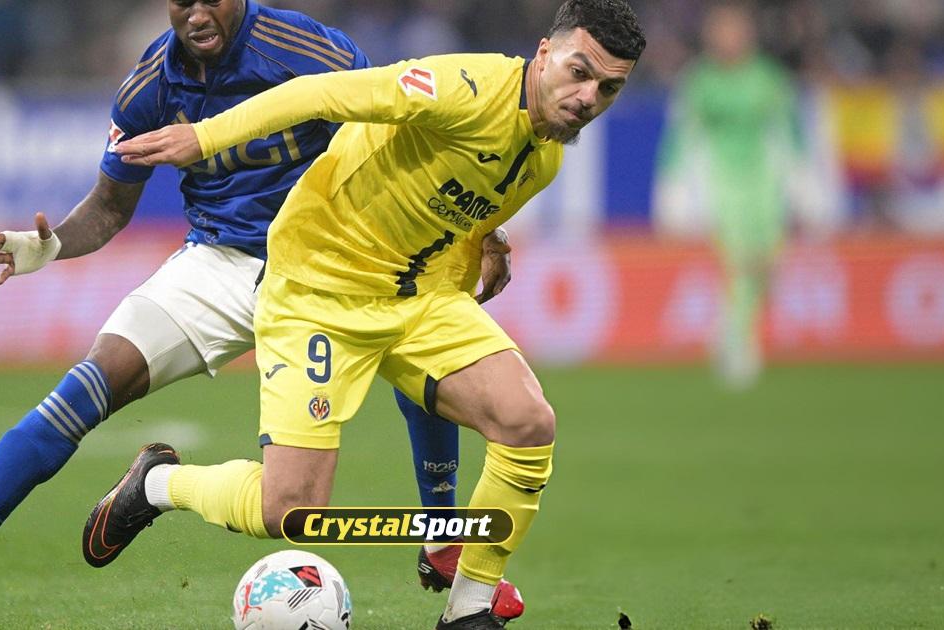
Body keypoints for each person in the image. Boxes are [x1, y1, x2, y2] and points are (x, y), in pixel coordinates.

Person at [0, 1, 519, 628]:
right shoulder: (148, 86)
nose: (197, 13)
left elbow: (412, 138)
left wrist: (480, 227)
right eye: (183, 1)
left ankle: (442, 542)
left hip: (336, 264)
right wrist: (50, 247)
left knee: (422, 343)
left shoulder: (310, 51)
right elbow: (110, 207)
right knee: (84, 388)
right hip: (220, 263)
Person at [98, 0, 644, 626]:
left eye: (608, 88)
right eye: (580, 72)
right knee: (292, 512)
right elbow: (316, 93)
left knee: (528, 422)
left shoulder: (546, 155)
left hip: (414, 298)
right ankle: (158, 485)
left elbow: (456, 201)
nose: (588, 97)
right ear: (544, 54)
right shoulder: (462, 88)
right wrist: (204, 136)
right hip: (317, 290)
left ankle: (468, 609)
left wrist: (488, 240)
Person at [655, 1, 801, 388]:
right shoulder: (700, 81)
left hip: (764, 181)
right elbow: (680, 134)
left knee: (767, 262)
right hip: (722, 180)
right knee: (738, 262)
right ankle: (737, 343)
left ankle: (737, 331)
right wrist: (673, 186)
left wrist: (803, 180)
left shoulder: (768, 78)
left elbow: (790, 129)